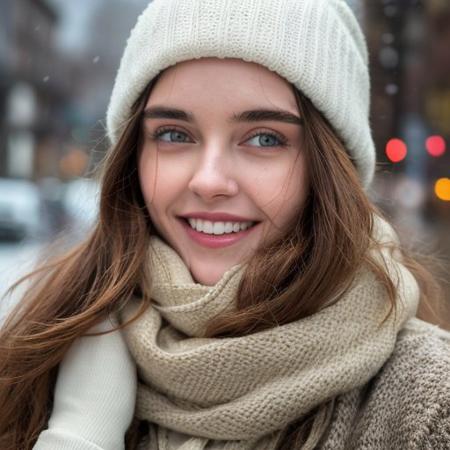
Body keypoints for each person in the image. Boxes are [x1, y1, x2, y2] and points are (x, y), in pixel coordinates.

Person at [1, 0, 449, 449]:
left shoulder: (426, 404)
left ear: (330, 168)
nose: (209, 180)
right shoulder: (38, 354)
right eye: (174, 134)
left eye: (265, 138)